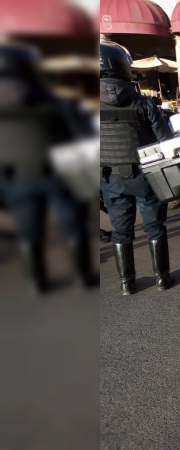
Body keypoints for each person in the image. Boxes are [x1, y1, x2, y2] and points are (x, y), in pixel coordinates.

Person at [0, 43, 98, 293]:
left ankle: (37, 280)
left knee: (29, 231)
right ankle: (84, 274)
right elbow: (80, 136)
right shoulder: (54, 100)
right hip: (58, 173)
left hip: (16, 176)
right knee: (74, 226)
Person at [100, 40, 173, 295]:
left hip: (109, 177)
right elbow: (165, 140)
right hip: (145, 175)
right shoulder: (144, 103)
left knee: (121, 231)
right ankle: (162, 278)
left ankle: (126, 284)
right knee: (155, 226)